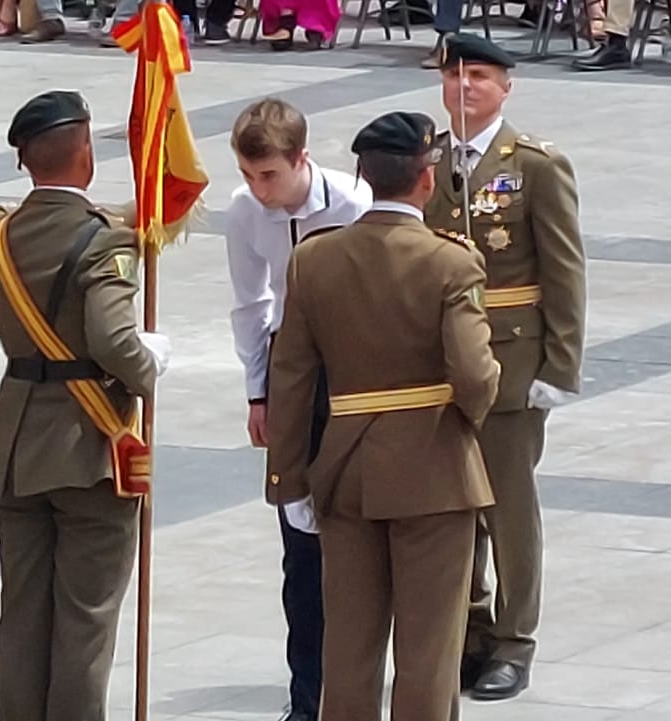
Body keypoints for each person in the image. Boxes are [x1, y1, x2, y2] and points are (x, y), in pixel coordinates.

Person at [266, 110, 500, 721]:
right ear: (426, 180)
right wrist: (470, 420)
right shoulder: (452, 262)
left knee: (348, 647)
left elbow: (289, 379)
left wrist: (288, 480)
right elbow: (474, 374)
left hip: (345, 472)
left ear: (362, 177)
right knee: (428, 652)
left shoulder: (314, 260)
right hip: (434, 471)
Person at [0, 89, 172, 721]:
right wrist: (150, 362)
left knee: (23, 617)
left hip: (16, 443)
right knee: (84, 625)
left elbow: (49, 227)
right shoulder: (103, 244)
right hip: (89, 447)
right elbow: (114, 342)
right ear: (85, 151)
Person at [425, 33, 586, 701]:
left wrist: (560, 366)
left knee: (508, 509)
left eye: (481, 76)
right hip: (439, 361)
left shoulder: (534, 165)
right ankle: (470, 628)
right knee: (450, 503)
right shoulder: (426, 158)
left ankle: (515, 640)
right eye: (456, 75)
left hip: (511, 358)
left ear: (506, 86)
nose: (466, 87)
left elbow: (564, 269)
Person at [222, 97, 371, 721]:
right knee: (299, 547)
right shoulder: (244, 212)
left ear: (301, 159)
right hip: (290, 373)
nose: (258, 190)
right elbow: (250, 304)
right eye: (249, 175)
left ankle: (354, 686)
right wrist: (258, 392)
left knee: (356, 538)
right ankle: (305, 697)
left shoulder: (352, 205)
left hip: (353, 369)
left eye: (270, 176)